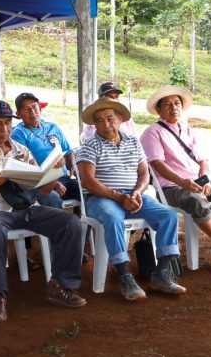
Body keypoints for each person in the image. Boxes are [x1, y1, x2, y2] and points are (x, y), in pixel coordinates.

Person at [0, 99, 86, 322]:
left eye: (7, 123)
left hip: (26, 207)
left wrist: (52, 174)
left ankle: (61, 284)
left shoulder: (21, 150)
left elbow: (42, 190)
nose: (4, 129)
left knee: (71, 223)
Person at [76, 98, 187, 301]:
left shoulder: (133, 142)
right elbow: (88, 181)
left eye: (110, 118)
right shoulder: (89, 145)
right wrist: (118, 196)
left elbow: (145, 173)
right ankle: (125, 276)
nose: (106, 124)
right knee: (112, 219)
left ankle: (161, 273)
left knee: (168, 216)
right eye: (99, 121)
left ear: (120, 119)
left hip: (133, 195)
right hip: (102, 198)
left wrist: (137, 192)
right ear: (94, 125)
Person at [140, 85, 211, 280]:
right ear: (158, 110)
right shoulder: (152, 133)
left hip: (195, 182)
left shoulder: (187, 130)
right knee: (198, 201)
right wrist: (182, 182)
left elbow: (203, 159)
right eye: (167, 105)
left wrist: (205, 179)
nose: (173, 107)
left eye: (177, 103)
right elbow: (158, 165)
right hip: (171, 188)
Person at [10, 92, 78, 208]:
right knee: (53, 198)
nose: (32, 112)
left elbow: (68, 151)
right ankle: (58, 224)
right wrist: (54, 183)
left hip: (64, 178)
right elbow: (27, 166)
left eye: (35, 107)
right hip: (41, 183)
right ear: (19, 114)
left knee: (85, 189)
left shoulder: (52, 127)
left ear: (40, 108)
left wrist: (72, 166)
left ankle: (80, 219)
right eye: (26, 109)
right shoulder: (19, 133)